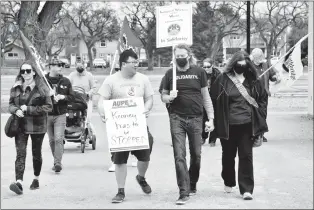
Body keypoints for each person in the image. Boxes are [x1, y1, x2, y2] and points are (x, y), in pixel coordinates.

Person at [97, 49, 154, 203]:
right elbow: (101, 101)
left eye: (137, 62)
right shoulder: (111, 81)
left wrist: (146, 108)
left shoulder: (143, 79)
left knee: (145, 155)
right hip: (119, 129)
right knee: (120, 160)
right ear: (123, 64)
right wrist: (103, 112)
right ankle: (120, 191)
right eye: (133, 62)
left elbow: (149, 99)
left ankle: (141, 177)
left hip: (139, 126)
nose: (137, 65)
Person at [210, 50, 268, 200]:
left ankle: (246, 189)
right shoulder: (223, 79)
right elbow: (213, 99)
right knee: (228, 156)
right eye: (238, 64)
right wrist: (211, 121)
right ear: (233, 64)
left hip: (247, 125)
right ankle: (228, 180)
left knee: (246, 156)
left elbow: (262, 99)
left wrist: (260, 118)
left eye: (244, 64)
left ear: (248, 65)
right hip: (228, 125)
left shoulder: (253, 80)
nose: (241, 67)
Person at [161, 44, 215, 205]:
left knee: (196, 155)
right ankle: (183, 191)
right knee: (179, 156)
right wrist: (169, 97)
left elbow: (206, 97)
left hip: (196, 118)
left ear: (189, 55)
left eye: (183, 55)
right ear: (174, 56)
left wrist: (211, 118)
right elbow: (162, 96)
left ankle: (192, 182)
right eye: (177, 56)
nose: (180, 58)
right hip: (177, 118)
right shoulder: (170, 74)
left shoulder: (199, 72)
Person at [8, 61, 53, 195]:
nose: (25, 73)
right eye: (23, 71)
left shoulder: (42, 87)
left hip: (37, 126)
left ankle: (36, 178)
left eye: (28, 71)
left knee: (36, 153)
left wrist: (29, 109)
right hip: (20, 125)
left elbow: (48, 107)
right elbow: (10, 104)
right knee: (20, 154)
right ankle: (19, 182)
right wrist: (15, 110)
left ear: (34, 72)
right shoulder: (16, 87)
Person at [45, 60, 74, 173]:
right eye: (58, 65)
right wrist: (47, 95)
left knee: (58, 139)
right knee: (52, 140)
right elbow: (37, 96)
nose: (61, 67)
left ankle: (58, 163)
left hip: (60, 114)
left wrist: (63, 97)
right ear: (51, 67)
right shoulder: (43, 81)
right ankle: (56, 160)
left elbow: (72, 97)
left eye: (61, 65)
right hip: (47, 114)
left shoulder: (66, 81)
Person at [250, 48, 281, 142]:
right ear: (253, 58)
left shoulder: (266, 65)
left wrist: (276, 78)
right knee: (253, 114)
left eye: (260, 58)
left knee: (263, 114)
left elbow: (271, 76)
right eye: (257, 58)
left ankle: (261, 134)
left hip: (264, 94)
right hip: (252, 95)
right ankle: (253, 134)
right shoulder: (249, 66)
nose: (259, 60)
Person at [68, 62, 96, 147]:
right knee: (71, 116)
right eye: (78, 65)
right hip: (75, 101)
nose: (80, 67)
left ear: (84, 66)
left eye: (81, 65)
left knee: (87, 119)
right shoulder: (72, 75)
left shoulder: (89, 76)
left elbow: (94, 88)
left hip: (86, 100)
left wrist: (89, 93)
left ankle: (88, 136)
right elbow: (67, 86)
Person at [201, 58, 221, 146]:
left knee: (215, 119)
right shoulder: (201, 74)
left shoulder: (218, 74)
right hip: (204, 99)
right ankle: (203, 137)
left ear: (212, 66)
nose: (206, 68)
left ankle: (212, 139)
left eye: (208, 66)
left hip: (215, 99)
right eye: (204, 67)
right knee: (203, 118)